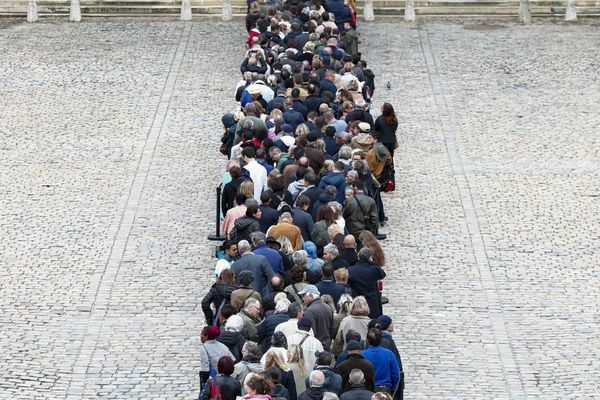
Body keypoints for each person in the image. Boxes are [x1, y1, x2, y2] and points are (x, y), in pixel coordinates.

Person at [347, 248, 386, 319]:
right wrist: (372, 263)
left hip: (357, 301)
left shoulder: (351, 270)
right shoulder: (373, 269)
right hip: (372, 301)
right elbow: (382, 274)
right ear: (370, 258)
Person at [361, 329, 399, 395]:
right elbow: (396, 374)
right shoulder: (389, 354)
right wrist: (392, 387)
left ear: (368, 340)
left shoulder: (362, 354)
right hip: (384, 388)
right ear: (380, 340)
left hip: (367, 389)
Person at [298, 285, 335, 351]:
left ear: (311, 296)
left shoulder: (309, 311)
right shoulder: (328, 308)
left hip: (315, 348)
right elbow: (332, 330)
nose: (303, 298)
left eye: (304, 296)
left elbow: (310, 332)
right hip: (326, 347)